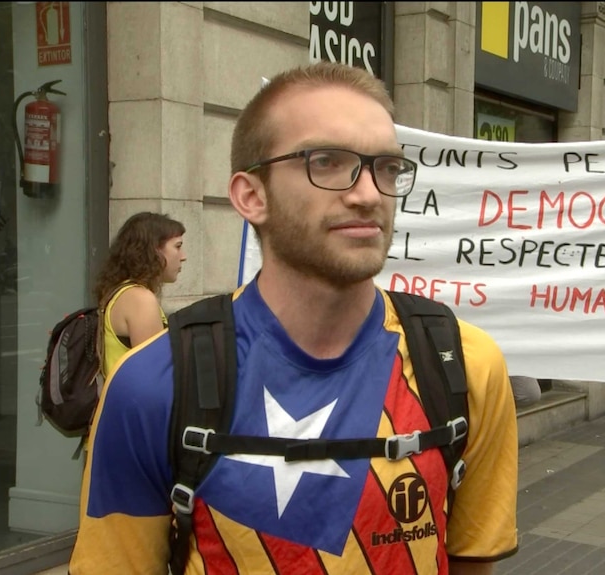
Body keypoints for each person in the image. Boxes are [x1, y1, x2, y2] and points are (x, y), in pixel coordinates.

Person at [69, 62, 519, 574]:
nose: (369, 194)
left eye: (387, 168)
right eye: (326, 161)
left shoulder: (463, 364)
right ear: (251, 196)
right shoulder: (153, 384)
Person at [92, 211, 186, 377]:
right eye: (177, 247)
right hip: (131, 402)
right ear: (154, 251)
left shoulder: (123, 292)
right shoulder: (139, 298)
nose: (183, 256)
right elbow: (154, 375)